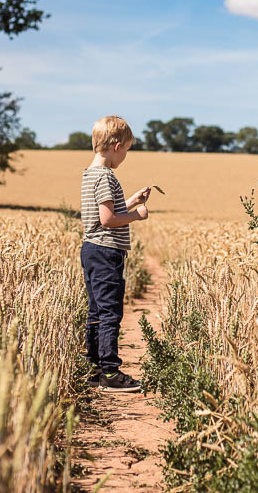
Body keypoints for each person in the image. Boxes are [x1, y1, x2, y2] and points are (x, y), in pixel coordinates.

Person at [80, 115, 151, 392]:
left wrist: (131, 200)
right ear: (117, 146)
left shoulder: (90, 174)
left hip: (91, 249)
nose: (126, 156)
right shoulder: (107, 176)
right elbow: (108, 219)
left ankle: (94, 368)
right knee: (110, 312)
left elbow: (102, 212)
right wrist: (136, 215)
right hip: (106, 251)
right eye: (128, 150)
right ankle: (110, 373)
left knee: (96, 311)